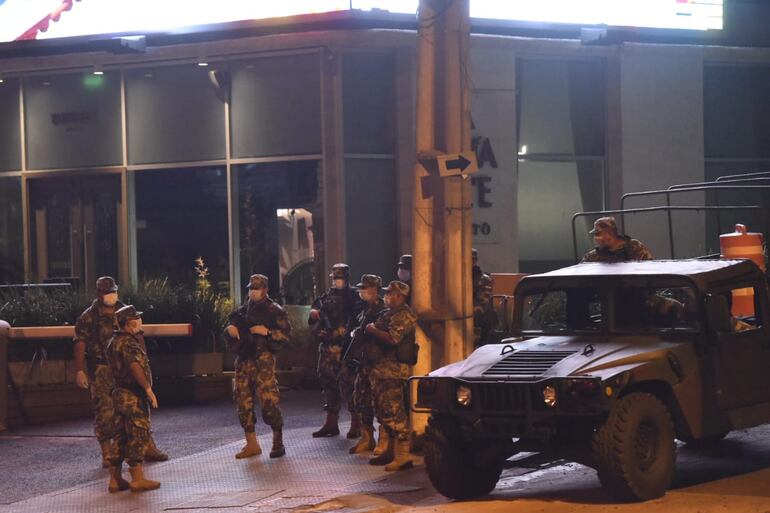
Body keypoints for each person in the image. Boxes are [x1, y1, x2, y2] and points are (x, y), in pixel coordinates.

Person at [73, 276, 167, 468]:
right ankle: (108, 452)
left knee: (138, 405)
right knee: (105, 410)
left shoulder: (125, 311)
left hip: (125, 368)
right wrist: (80, 370)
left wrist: (144, 361)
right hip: (101, 370)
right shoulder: (89, 316)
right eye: (107, 292)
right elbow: (79, 341)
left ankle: (147, 446)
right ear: (99, 293)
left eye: (113, 291)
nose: (111, 295)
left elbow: (138, 336)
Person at [224, 274, 291, 459]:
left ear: (265, 290)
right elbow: (230, 323)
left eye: (257, 288)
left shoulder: (274, 310)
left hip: (263, 362)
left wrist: (268, 332)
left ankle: (278, 441)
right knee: (243, 402)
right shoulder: (243, 310)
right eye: (251, 288)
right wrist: (230, 329)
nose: (253, 292)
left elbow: (285, 335)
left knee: (269, 403)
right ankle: (251, 443)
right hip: (244, 361)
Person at [105, 305, 160, 493]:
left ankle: (115, 479)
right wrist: (148, 389)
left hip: (119, 394)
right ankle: (137, 478)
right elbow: (134, 366)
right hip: (132, 395)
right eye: (137, 319)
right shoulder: (128, 343)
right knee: (137, 432)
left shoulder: (113, 341)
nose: (139, 322)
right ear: (129, 323)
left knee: (119, 435)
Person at [365, 281, 417, 471]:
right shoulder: (387, 314)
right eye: (387, 293)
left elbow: (393, 338)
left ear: (401, 297)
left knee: (394, 411)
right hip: (379, 369)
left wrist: (372, 330)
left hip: (393, 371)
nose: (387, 297)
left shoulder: (404, 315)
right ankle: (390, 451)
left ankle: (403, 455)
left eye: (391, 294)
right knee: (382, 410)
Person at [309, 263, 364, 439]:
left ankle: (357, 422)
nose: (338, 281)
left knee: (349, 385)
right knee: (328, 384)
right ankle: (331, 423)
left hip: (346, 348)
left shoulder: (355, 298)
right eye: (336, 278)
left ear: (347, 278)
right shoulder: (325, 297)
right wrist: (315, 319)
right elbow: (315, 317)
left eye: (341, 278)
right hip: (327, 348)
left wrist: (340, 332)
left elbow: (358, 321)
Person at [343, 274, 387, 455]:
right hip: (363, 362)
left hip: (378, 363)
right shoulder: (364, 310)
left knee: (381, 402)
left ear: (375, 290)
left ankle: (384, 440)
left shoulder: (384, 310)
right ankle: (366, 437)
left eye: (365, 288)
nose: (362, 292)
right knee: (361, 398)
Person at [581, 216, 653, 263]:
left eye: (598, 234)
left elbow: (650, 267)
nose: (595, 238)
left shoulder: (634, 247)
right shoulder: (592, 256)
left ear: (609, 233)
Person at [472, 248, 497, 346]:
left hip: (480, 324)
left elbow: (482, 304)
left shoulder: (484, 279)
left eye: (472, 260)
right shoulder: (461, 278)